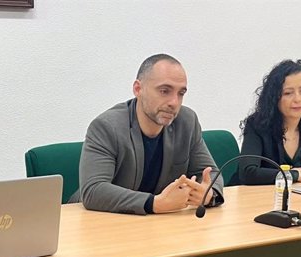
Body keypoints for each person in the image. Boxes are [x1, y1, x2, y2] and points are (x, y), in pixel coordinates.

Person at [74, 54, 224, 215]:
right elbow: (93, 190)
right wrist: (153, 203)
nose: (174, 102)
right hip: (100, 221)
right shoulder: (107, 126)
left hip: (156, 224)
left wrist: (208, 193)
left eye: (181, 93)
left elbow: (210, 173)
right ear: (138, 89)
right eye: (164, 91)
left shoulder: (187, 121)